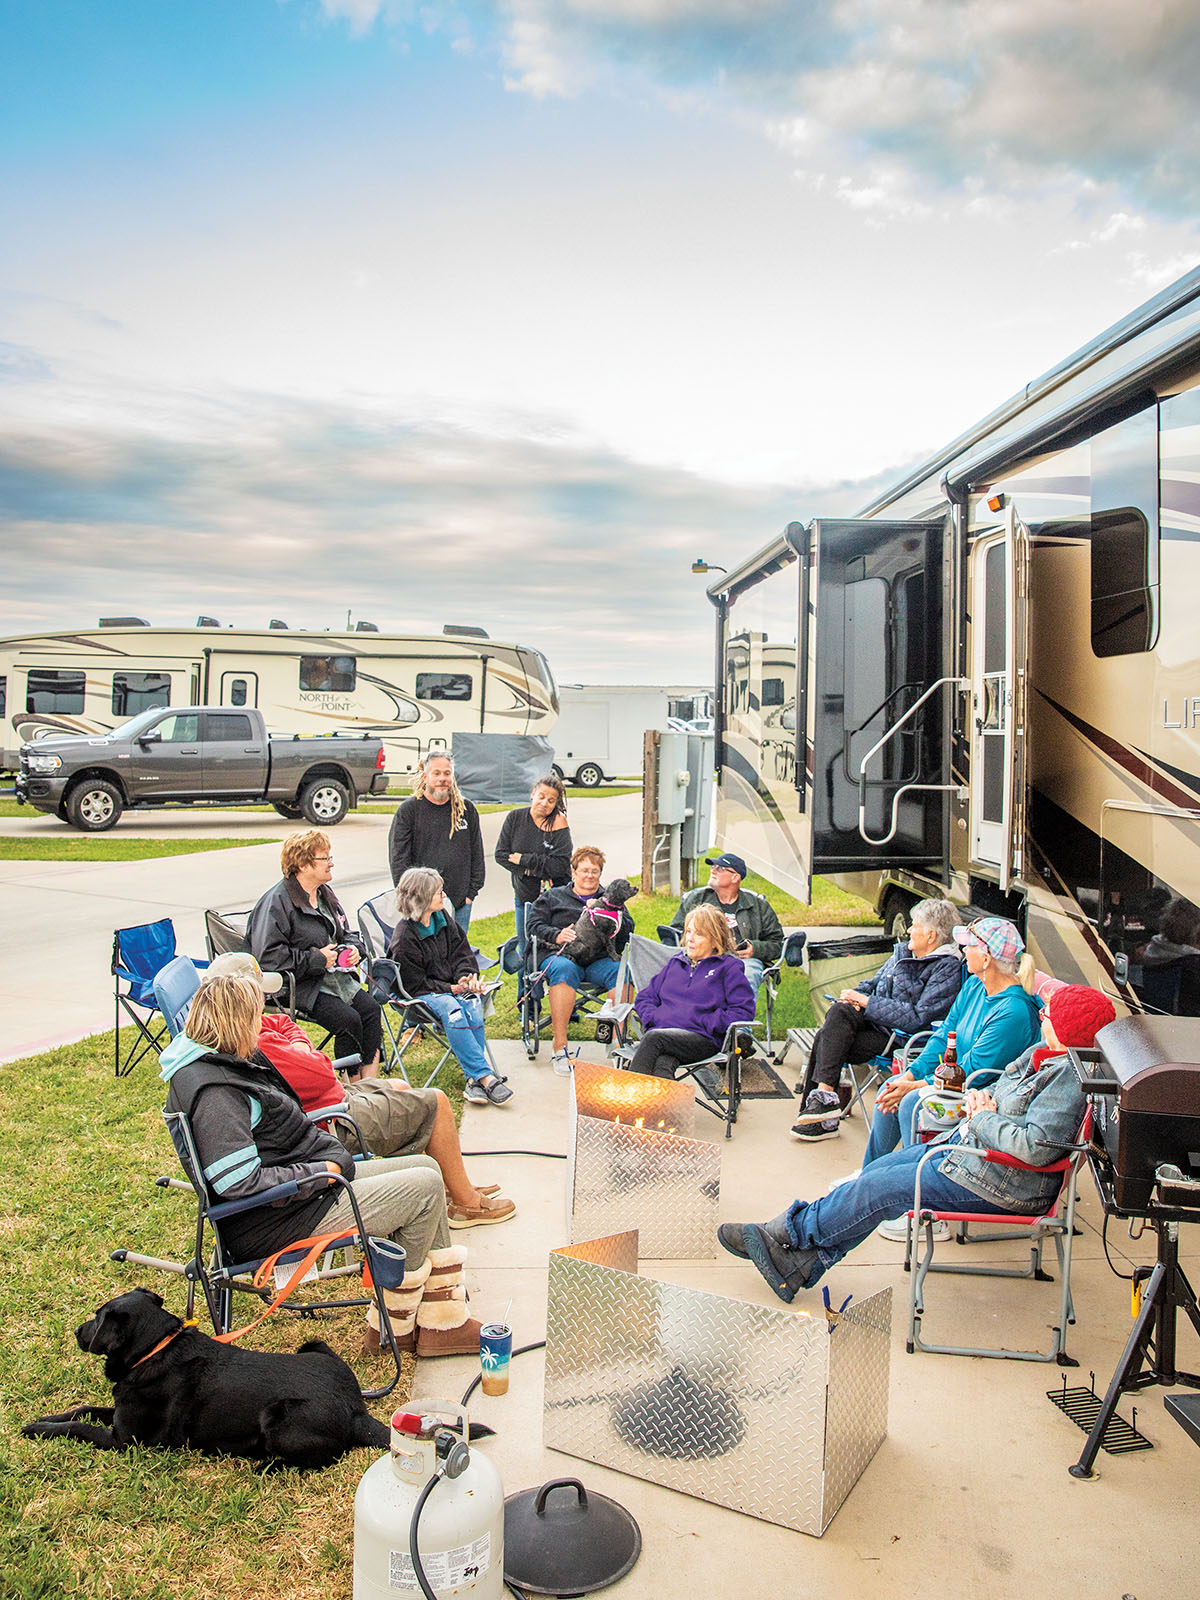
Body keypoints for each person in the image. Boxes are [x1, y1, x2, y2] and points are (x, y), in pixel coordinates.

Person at [720, 984, 1115, 1302]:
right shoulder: (1044, 1054)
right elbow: (1000, 1085)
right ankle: (802, 1263)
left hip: (1005, 1183)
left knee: (881, 1189)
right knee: (877, 1172)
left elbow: (1034, 1146)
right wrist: (984, 1099)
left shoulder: (1067, 1079)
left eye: (1051, 1013)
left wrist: (983, 1115)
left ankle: (786, 1234)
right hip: (975, 1158)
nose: (1043, 1014)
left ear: (1071, 1029)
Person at [160, 973, 483, 1357]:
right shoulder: (216, 1094)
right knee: (425, 1190)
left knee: (425, 1169)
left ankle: (439, 1315)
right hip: (278, 1218)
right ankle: (395, 1326)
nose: (259, 1026)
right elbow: (237, 1182)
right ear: (236, 1023)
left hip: (297, 1198)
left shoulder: (216, 1062)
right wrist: (316, 1173)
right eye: (255, 1019)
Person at [202, 953, 515, 1228]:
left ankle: (448, 1186)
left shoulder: (243, 1027)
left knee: (401, 1086)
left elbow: (284, 1023)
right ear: (240, 998)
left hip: (328, 1103)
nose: (264, 1001)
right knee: (436, 1102)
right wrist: (303, 1052)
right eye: (257, 993)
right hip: (328, 1121)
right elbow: (324, 1073)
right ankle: (465, 1203)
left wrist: (300, 1046)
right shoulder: (257, 1043)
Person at [861, 916, 1042, 1175]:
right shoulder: (975, 986)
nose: (963, 951)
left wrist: (915, 1086)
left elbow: (973, 1069)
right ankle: (868, 1178)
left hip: (984, 1094)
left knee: (911, 1101)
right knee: (893, 1088)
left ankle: (913, 1186)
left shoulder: (1013, 1011)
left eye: (968, 946)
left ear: (987, 958)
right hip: (956, 1080)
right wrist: (910, 1076)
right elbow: (945, 1035)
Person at [791, 897, 963, 1143]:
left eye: (915, 925)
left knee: (826, 1037)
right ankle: (822, 1104)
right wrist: (854, 998)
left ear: (931, 936)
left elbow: (918, 1017)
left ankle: (819, 1113)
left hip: (900, 1038)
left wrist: (867, 1003)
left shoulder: (946, 969)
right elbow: (872, 984)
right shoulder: (903, 953)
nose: (909, 930)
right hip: (873, 1023)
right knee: (839, 1014)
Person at [248, 829, 382, 1078]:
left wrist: (354, 949)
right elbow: (268, 958)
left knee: (372, 1010)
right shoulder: (277, 902)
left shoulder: (324, 894)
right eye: (325, 858)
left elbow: (346, 932)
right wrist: (317, 959)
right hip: (301, 985)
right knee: (349, 1020)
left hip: (335, 979)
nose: (331, 863)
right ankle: (351, 1087)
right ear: (303, 864)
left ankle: (371, 1084)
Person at [389, 867, 514, 1107]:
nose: (443, 895)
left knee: (473, 1003)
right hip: (420, 996)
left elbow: (461, 954)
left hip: (450, 987)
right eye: (438, 892)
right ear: (422, 898)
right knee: (454, 1010)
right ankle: (486, 1077)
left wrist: (466, 977)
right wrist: (451, 989)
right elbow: (413, 985)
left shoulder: (442, 918)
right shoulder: (405, 937)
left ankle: (473, 1080)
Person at [527, 845, 635, 1075]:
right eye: (584, 870)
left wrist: (618, 913)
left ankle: (618, 1046)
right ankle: (560, 1048)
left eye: (594, 871)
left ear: (600, 874)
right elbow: (533, 927)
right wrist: (555, 935)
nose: (589, 875)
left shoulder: (610, 900)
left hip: (598, 960)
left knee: (624, 973)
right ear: (573, 872)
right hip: (563, 955)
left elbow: (627, 934)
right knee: (564, 970)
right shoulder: (552, 897)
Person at [627, 905, 756, 1094]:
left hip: (702, 1039)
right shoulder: (676, 963)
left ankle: (627, 1102)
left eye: (699, 934)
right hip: (665, 1036)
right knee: (662, 1064)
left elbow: (743, 1011)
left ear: (715, 940)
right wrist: (654, 1017)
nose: (690, 939)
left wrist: (706, 1021)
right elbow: (645, 997)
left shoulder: (728, 968)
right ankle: (665, 1114)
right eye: (688, 931)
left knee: (654, 1038)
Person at [388, 754, 484, 932]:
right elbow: (398, 860)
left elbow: (477, 854)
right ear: (425, 776)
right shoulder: (409, 811)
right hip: (422, 905)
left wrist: (471, 894)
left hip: (460, 903)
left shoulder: (465, 810)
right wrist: (412, 898)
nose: (442, 779)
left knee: (457, 956)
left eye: (447, 773)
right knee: (425, 955)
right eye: (436, 773)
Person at [669, 852, 783, 996]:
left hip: (743, 961)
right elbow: (675, 932)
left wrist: (755, 949)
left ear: (735, 877)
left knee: (745, 976)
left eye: (720, 868)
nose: (713, 870)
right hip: (702, 959)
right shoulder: (697, 900)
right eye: (713, 867)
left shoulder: (758, 906)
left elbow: (777, 943)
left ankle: (739, 1016)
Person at [494, 775, 573, 961]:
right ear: (532, 794)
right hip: (524, 895)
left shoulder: (558, 822)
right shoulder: (515, 818)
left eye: (551, 800)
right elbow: (501, 855)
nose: (545, 803)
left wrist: (525, 859)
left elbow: (560, 866)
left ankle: (552, 987)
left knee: (552, 949)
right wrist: (529, 870)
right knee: (525, 949)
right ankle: (525, 991)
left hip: (554, 899)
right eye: (541, 796)